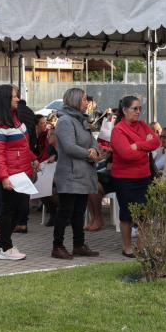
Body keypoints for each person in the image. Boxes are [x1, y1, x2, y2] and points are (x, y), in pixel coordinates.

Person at [0, 85, 35, 260]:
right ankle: (6, 248)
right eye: (14, 96)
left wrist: (33, 157)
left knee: (20, 210)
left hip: (21, 173)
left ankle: (1, 242)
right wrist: (5, 178)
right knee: (10, 211)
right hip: (10, 175)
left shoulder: (15, 119)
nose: (17, 99)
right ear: (5, 99)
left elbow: (22, 145)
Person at [51, 87, 101, 260]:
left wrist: (95, 149)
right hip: (70, 175)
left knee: (79, 211)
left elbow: (93, 141)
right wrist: (89, 153)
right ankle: (57, 246)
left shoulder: (82, 120)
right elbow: (69, 146)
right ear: (75, 101)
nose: (87, 103)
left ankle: (79, 244)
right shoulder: (65, 121)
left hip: (83, 174)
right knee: (65, 212)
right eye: (85, 99)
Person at [111, 95, 161, 257]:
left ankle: (141, 246)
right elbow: (126, 154)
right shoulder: (118, 130)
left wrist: (137, 145)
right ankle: (127, 247)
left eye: (140, 108)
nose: (139, 112)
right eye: (135, 108)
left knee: (145, 213)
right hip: (125, 178)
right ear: (125, 110)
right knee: (127, 213)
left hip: (144, 176)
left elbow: (156, 142)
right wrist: (145, 147)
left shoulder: (143, 125)